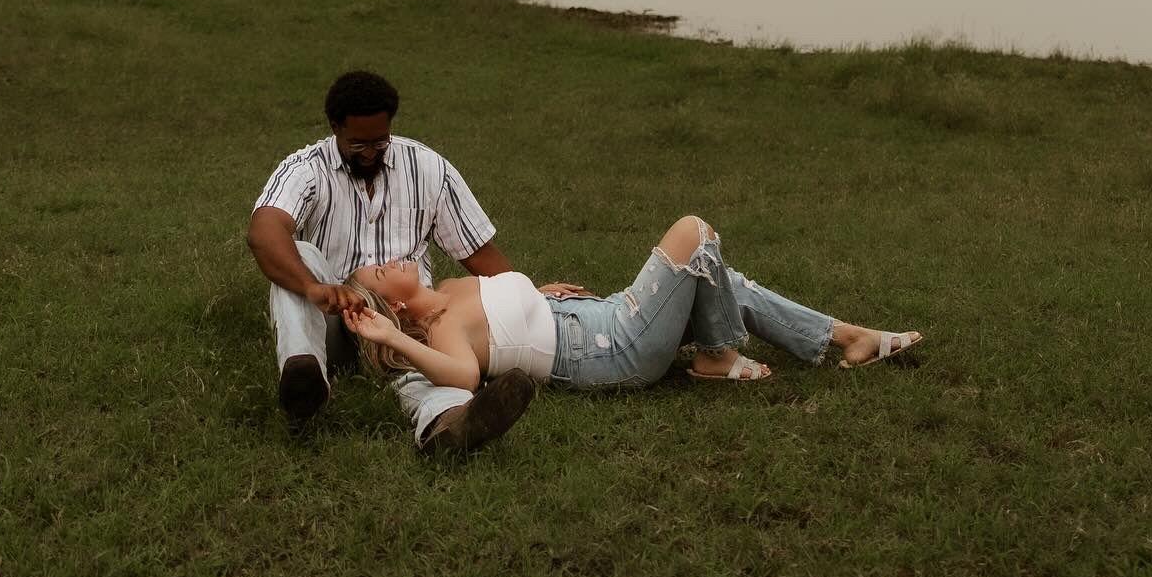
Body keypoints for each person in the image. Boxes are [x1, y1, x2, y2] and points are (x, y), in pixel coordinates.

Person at [246, 70, 537, 454]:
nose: (370, 152)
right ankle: (304, 377)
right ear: (335, 127)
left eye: (379, 142)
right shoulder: (306, 169)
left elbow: (476, 251)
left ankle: (451, 423)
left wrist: (528, 292)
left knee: (420, 364)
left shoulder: (428, 168)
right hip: (335, 319)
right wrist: (313, 287)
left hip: (407, 321)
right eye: (358, 143)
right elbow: (264, 231)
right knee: (299, 254)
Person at [340, 213, 923, 400]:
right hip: (609, 352)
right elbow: (465, 377)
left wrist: (535, 294)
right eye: (381, 269)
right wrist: (391, 339)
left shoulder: (451, 287)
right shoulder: (439, 330)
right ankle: (717, 355)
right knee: (693, 234)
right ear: (394, 303)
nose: (391, 258)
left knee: (723, 280)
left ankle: (847, 338)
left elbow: (504, 312)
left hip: (599, 316)